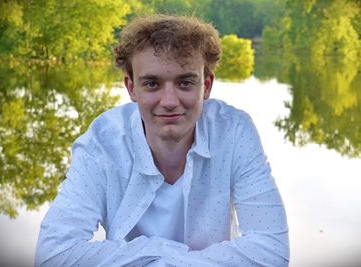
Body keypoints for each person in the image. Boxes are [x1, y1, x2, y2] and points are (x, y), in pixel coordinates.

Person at [35, 14, 289, 267]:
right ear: (131, 88)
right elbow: (53, 255)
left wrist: (161, 259)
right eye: (152, 84)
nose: (169, 101)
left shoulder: (234, 132)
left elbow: (272, 252)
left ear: (207, 85)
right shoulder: (102, 142)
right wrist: (160, 249)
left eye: (186, 82)